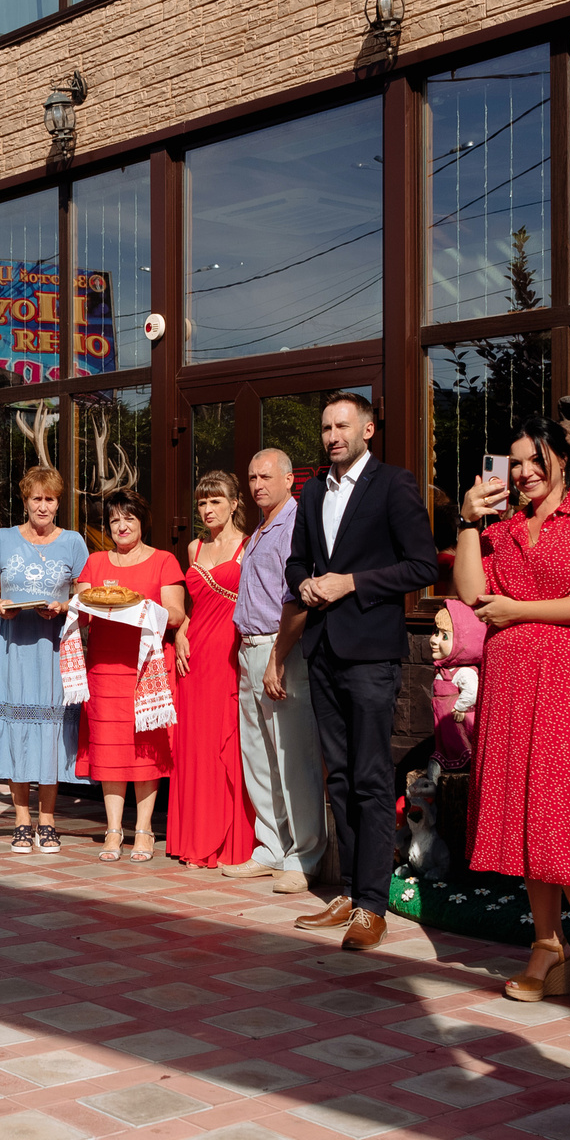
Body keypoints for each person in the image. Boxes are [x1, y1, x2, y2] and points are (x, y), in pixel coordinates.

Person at [451, 418, 570, 1018]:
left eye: (535, 459)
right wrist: (468, 522)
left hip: (566, 679)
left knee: (562, 813)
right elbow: (473, 593)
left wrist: (521, 609)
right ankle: (549, 949)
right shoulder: (499, 528)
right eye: (515, 462)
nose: (524, 472)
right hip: (509, 680)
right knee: (525, 811)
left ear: (562, 459)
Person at [277, 396, 441, 952]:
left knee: (372, 779)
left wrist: (352, 582)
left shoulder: (394, 484)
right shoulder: (312, 490)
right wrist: (303, 583)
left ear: (369, 428)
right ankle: (348, 892)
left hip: (371, 653)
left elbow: (422, 564)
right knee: (340, 777)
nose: (331, 435)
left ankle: (374, 904)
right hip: (321, 648)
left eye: (342, 425)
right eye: (325, 427)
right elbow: (297, 560)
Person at [0, 464, 87, 852]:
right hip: (12, 647)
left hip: (53, 649)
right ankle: (21, 818)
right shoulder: (2, 539)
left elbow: (86, 597)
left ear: (58, 503)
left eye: (49, 499)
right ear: (25, 500)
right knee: (17, 729)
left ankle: (48, 819)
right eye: (36, 498)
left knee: (50, 732)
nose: (43, 506)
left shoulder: (73, 542)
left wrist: (64, 605)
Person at [230, 449, 326, 893]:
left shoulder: (294, 526)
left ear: (291, 479)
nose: (256, 485)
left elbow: (296, 599)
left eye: (265, 476)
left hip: (279, 649)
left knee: (293, 756)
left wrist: (277, 657)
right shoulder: (260, 529)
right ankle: (271, 846)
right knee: (260, 757)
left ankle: (304, 856)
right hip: (250, 647)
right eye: (251, 477)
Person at [75, 488, 187, 862]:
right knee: (108, 747)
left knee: (144, 750)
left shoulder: (164, 561)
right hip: (105, 668)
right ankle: (112, 829)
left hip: (146, 669)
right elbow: (84, 609)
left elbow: (174, 615)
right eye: (114, 521)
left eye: (129, 519)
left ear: (142, 522)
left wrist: (139, 606)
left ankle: (143, 829)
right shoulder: (94, 563)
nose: (121, 527)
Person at [170, 470, 256, 869]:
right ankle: (194, 840)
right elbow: (192, 607)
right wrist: (182, 632)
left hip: (229, 652)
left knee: (227, 744)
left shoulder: (250, 545)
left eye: (215, 501)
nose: (207, 509)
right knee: (194, 745)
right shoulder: (193, 548)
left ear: (235, 503)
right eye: (202, 502)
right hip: (192, 654)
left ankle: (228, 842)